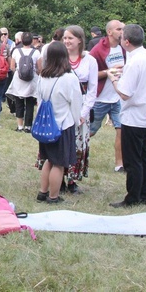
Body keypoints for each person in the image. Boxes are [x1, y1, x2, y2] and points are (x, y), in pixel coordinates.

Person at [107, 24, 146, 208]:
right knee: (145, 155)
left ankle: (133, 197)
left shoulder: (135, 61)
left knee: (132, 160)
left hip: (133, 115)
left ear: (126, 42)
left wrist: (113, 78)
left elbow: (124, 93)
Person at [35, 42, 82, 204]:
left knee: (48, 159)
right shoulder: (69, 78)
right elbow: (76, 104)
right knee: (59, 164)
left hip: (46, 125)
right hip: (62, 125)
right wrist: (77, 121)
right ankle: (53, 196)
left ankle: (42, 192)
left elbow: (39, 101)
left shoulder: (42, 76)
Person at [62, 25, 98, 193]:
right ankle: (58, 177)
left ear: (80, 40)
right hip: (62, 105)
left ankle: (72, 179)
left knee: (77, 142)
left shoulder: (90, 60)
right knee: (61, 141)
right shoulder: (60, 57)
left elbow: (92, 90)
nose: (67, 41)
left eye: (70, 38)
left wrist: (83, 113)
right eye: (65, 38)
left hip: (81, 105)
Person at [89, 20, 126, 172]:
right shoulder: (98, 50)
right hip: (101, 98)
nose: (123, 32)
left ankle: (120, 164)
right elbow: (89, 74)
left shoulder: (125, 48)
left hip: (119, 97)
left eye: (124, 29)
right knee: (90, 130)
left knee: (121, 130)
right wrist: (108, 71)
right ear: (110, 32)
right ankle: (72, 152)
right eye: (119, 29)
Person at [7, 31, 40, 132]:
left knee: (19, 103)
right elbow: (40, 68)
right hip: (31, 80)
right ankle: (28, 126)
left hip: (19, 80)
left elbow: (12, 67)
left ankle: (20, 126)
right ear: (32, 41)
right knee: (30, 103)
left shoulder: (16, 51)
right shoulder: (36, 52)